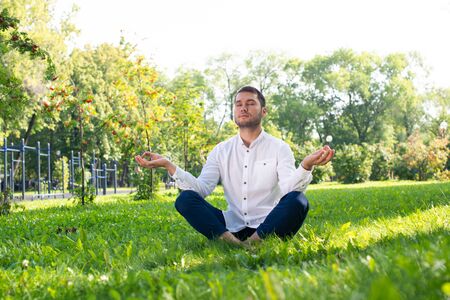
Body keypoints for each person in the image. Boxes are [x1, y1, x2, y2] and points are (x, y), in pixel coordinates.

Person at [135, 86, 334, 247]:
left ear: (263, 111)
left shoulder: (279, 148)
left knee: (298, 201)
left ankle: (255, 242)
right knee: (185, 199)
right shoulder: (221, 150)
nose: (243, 108)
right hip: (231, 224)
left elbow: (289, 189)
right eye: (238, 104)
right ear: (234, 111)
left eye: (250, 103)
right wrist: (169, 165)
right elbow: (201, 189)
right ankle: (233, 243)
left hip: (269, 223)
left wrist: (306, 165)